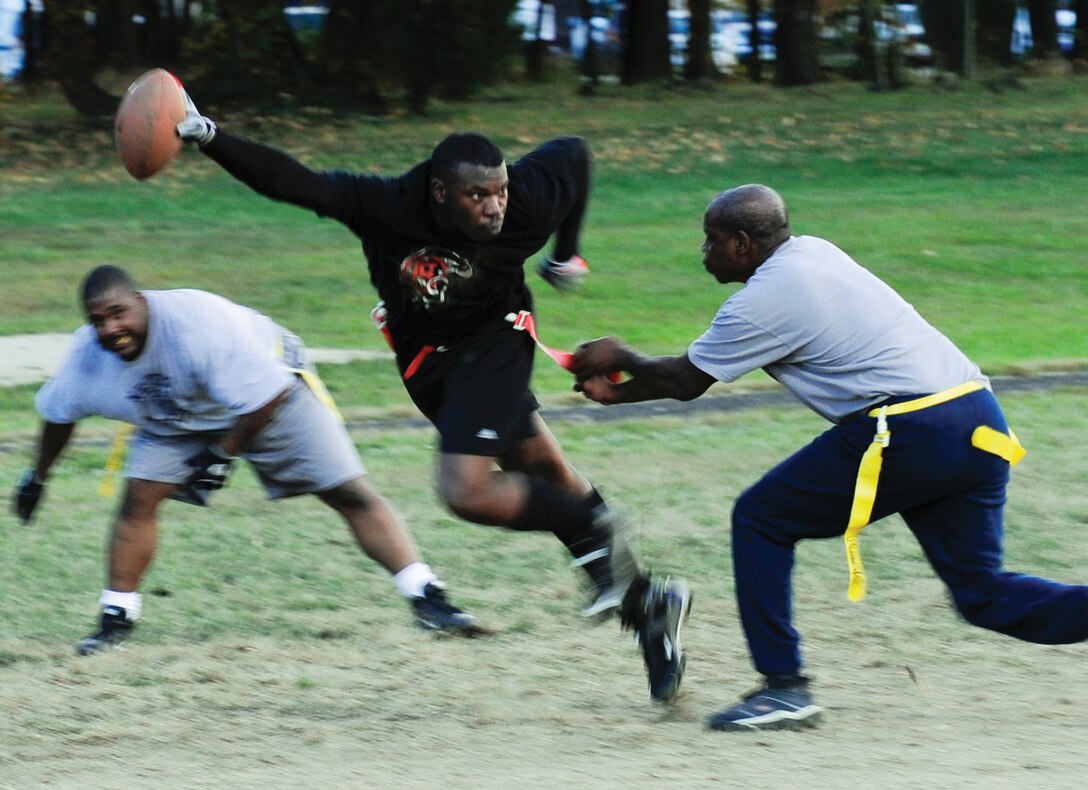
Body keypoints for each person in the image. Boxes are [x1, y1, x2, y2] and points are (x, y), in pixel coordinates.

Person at [172, 94, 691, 702]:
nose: (495, 207)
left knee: (465, 489)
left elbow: (574, 157)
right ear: (441, 193)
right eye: (478, 196)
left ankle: (599, 531)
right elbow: (295, 184)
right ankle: (647, 605)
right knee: (544, 469)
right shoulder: (389, 206)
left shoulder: (523, 199)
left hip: (498, 339)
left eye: (499, 191)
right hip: (428, 364)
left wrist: (565, 249)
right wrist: (209, 136)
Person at [572, 184, 1088, 730]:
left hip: (911, 429)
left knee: (760, 518)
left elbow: (685, 381)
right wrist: (619, 391)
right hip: (977, 420)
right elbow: (687, 379)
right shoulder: (814, 253)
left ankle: (784, 689)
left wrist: (622, 357)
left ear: (743, 244)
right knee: (982, 593)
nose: (704, 252)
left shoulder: (765, 299)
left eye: (712, 240)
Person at [11, 265, 480, 655]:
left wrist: (222, 454)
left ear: (141, 300)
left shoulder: (198, 327)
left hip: (269, 388)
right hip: (177, 410)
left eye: (119, 313)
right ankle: (116, 617)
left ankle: (427, 597)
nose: (111, 329)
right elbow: (58, 416)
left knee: (347, 491)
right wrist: (38, 477)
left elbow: (265, 394)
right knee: (139, 499)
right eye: (99, 320)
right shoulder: (88, 359)